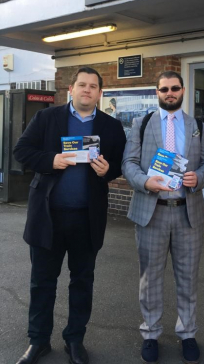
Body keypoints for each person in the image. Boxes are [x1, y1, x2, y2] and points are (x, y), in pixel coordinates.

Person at [13, 67, 126, 364]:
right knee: (42, 282)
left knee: (82, 282)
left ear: (100, 93)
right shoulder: (47, 118)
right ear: (71, 90)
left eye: (92, 86)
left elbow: (119, 163)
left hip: (86, 218)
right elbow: (21, 151)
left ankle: (74, 339)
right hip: (48, 217)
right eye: (82, 85)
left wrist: (108, 170)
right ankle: (38, 341)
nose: (87, 90)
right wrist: (51, 159)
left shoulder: (111, 127)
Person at [122, 71, 204, 364]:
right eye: (165, 89)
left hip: (187, 212)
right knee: (150, 278)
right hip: (153, 211)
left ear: (183, 90)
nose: (170, 93)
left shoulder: (198, 126)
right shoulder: (142, 123)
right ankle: (150, 333)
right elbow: (129, 163)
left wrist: (198, 177)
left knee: (187, 278)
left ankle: (187, 332)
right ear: (157, 91)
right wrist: (145, 182)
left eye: (175, 88)